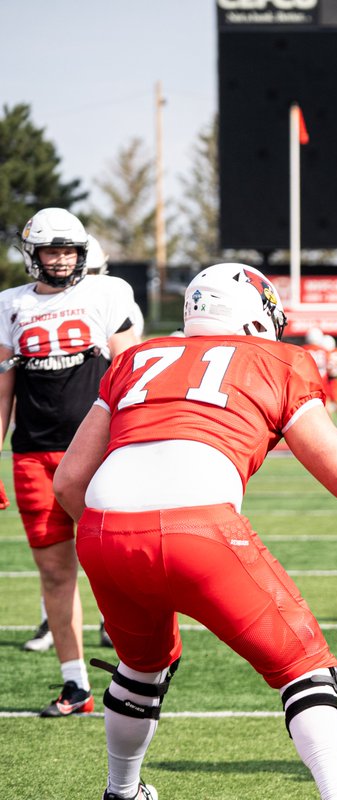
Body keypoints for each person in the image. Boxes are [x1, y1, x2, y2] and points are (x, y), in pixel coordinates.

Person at [52, 263, 337, 800]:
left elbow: (69, 482)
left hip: (104, 532)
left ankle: (121, 791)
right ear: (255, 317)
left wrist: (117, 544)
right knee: (307, 670)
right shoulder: (280, 360)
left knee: (139, 668)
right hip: (200, 527)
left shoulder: (135, 359)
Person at [0, 208, 141, 716]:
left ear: (82, 254)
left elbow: (132, 378)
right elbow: (3, 389)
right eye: (50, 251)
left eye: (68, 251)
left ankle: (139, 667)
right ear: (32, 255)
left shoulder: (106, 294)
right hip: (33, 452)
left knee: (115, 560)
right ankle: (76, 684)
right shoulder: (9, 304)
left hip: (94, 451)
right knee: (55, 574)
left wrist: (135, 444)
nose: (60, 260)